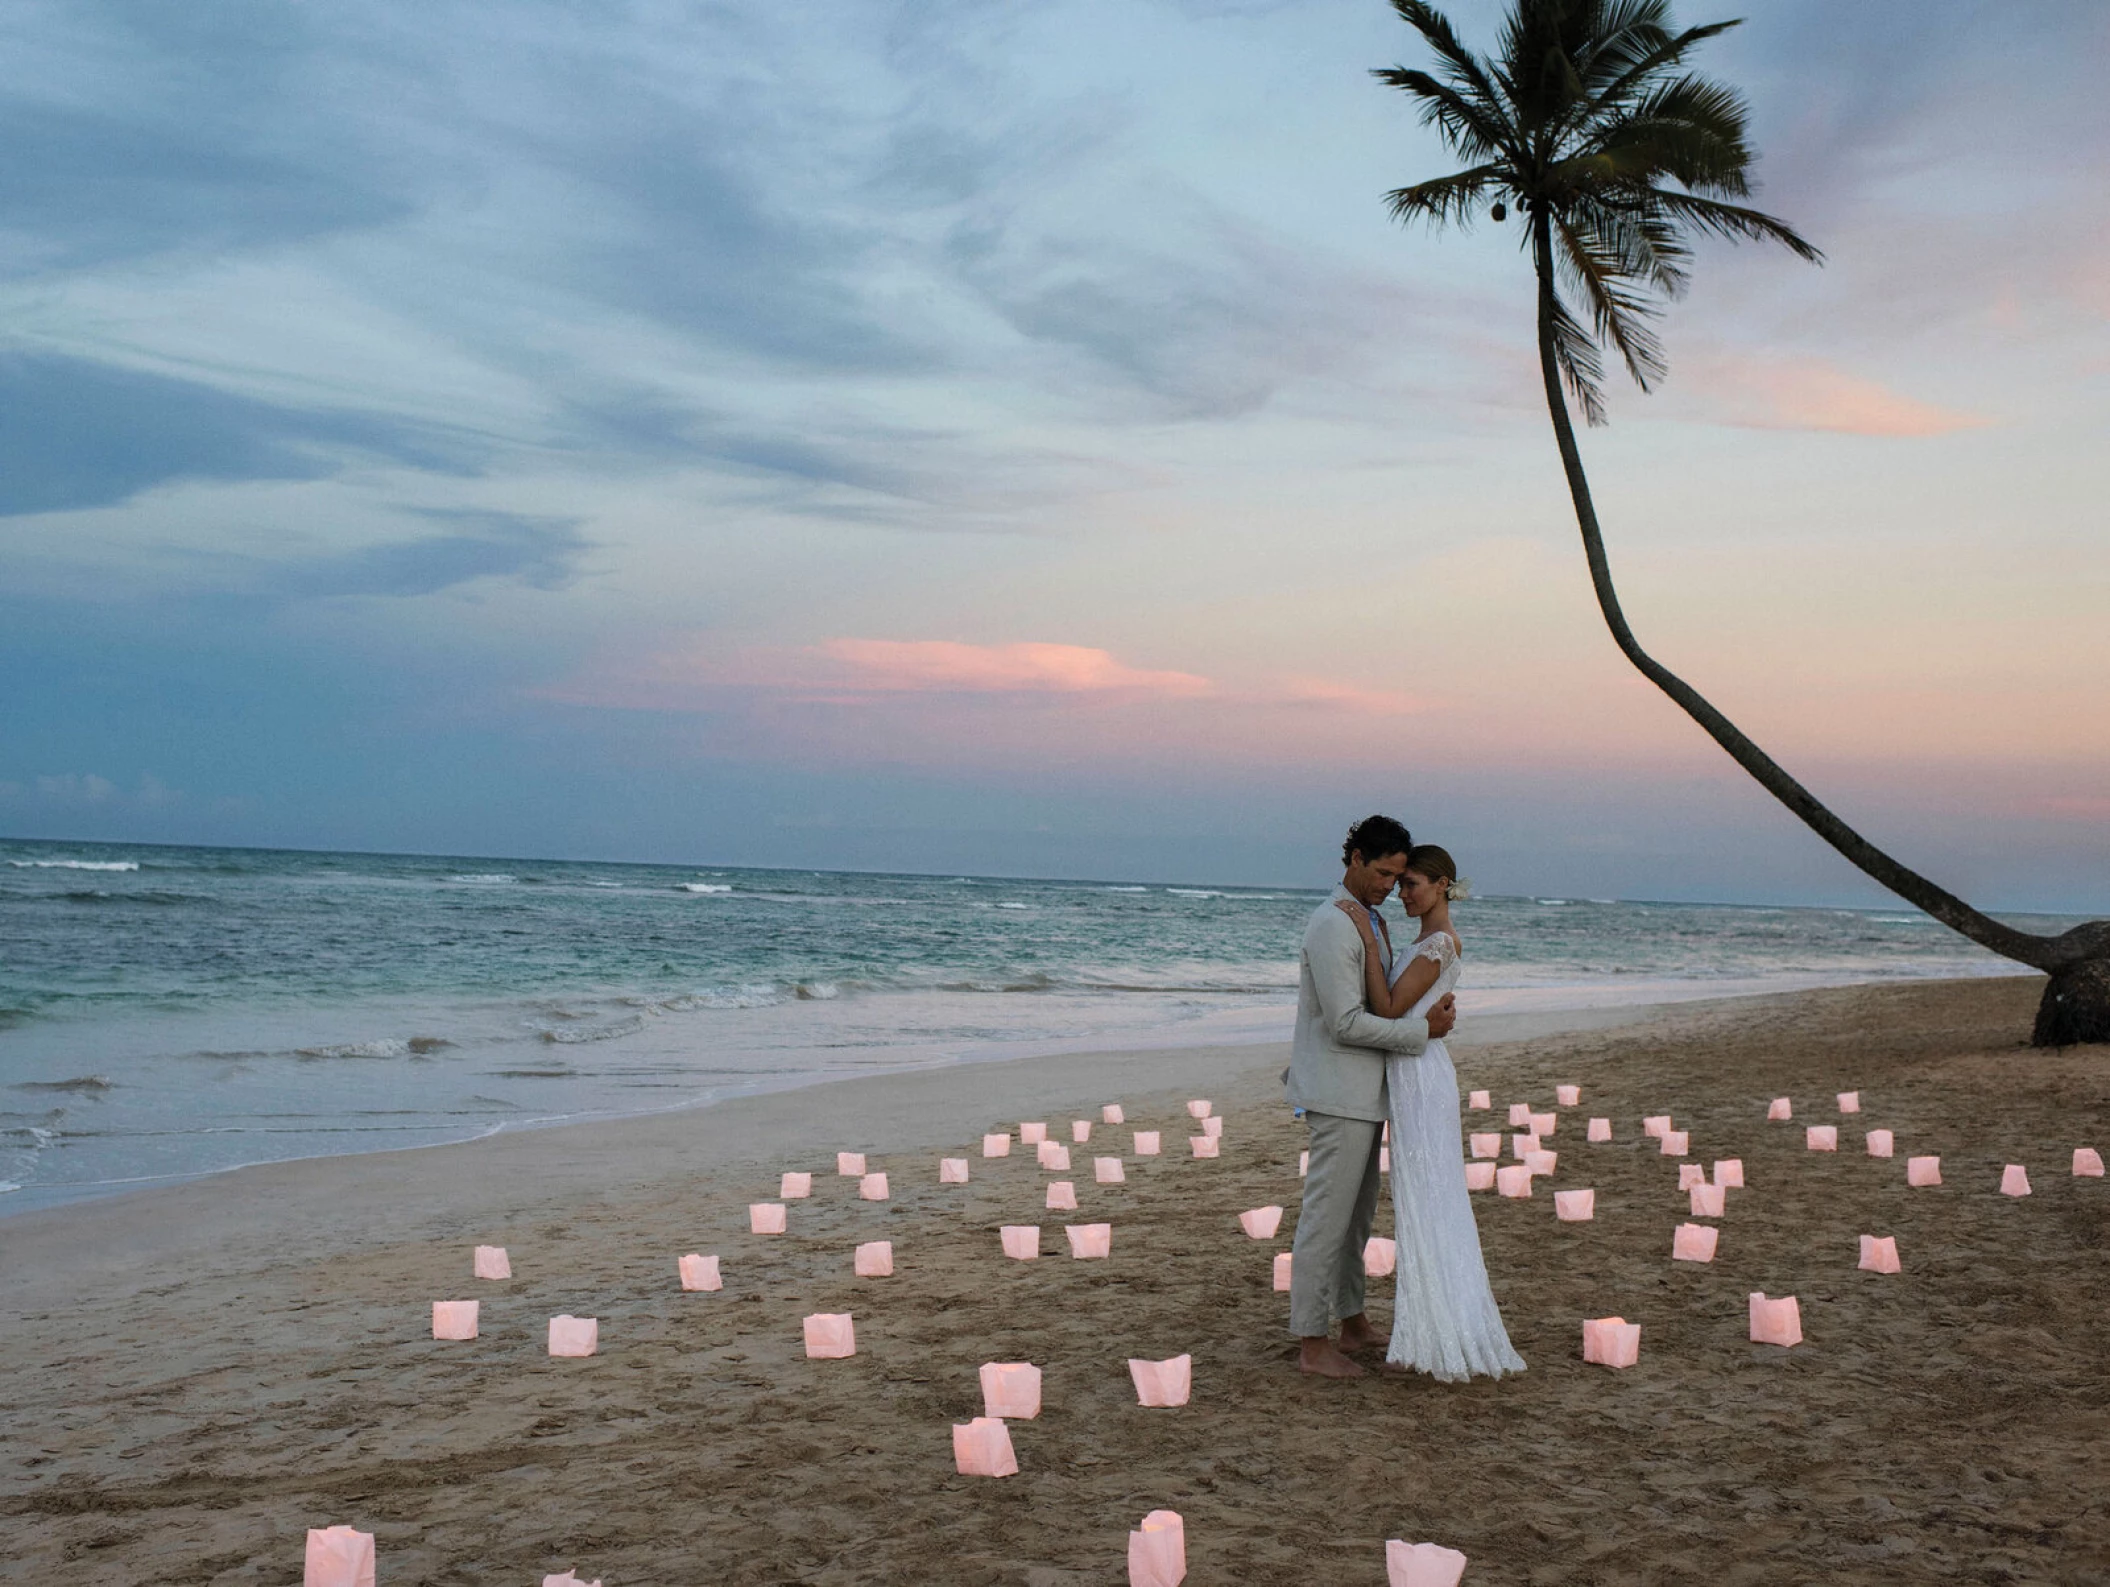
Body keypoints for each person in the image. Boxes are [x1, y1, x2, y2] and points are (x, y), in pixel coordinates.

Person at [1337, 843, 1525, 1381]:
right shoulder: (1424, 940)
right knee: (1423, 1202)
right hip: (1412, 1070)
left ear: (1442, 884)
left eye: (1412, 884)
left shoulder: (1438, 943)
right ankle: (1427, 1329)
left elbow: (1390, 1009)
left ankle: (1435, 1335)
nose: (1402, 894)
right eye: (1399, 885)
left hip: (1420, 1077)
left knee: (1429, 1202)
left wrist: (1368, 945)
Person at [1286, 815, 1457, 1379]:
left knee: (1355, 1220)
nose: (1390, 886)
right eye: (1383, 873)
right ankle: (1312, 1342)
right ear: (1355, 858)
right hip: (1339, 1093)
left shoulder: (1370, 921)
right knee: (1325, 1220)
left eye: (1399, 876)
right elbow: (1345, 1024)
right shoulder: (1335, 925)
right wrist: (1421, 1034)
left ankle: (1353, 1322)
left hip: (1368, 1093)